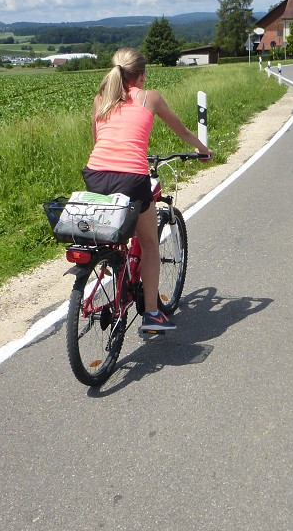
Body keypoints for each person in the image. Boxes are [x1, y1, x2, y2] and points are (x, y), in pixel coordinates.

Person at [82, 48, 211, 332]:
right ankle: (152, 314)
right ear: (141, 76)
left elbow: (99, 142)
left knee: (112, 234)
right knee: (150, 243)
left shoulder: (100, 100)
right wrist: (202, 150)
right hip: (131, 178)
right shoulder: (150, 98)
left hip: (94, 175)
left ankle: (109, 262)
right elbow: (184, 132)